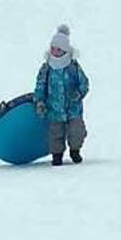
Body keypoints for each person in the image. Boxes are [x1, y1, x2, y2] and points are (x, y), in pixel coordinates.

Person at [33, 24, 90, 166]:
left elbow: (84, 83)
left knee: (76, 132)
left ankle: (75, 150)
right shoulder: (47, 68)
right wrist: (39, 101)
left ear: (65, 51)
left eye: (58, 49)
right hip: (54, 109)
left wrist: (78, 94)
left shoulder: (73, 67)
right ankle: (57, 155)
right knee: (55, 135)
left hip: (73, 109)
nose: (55, 51)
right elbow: (40, 86)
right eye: (53, 48)